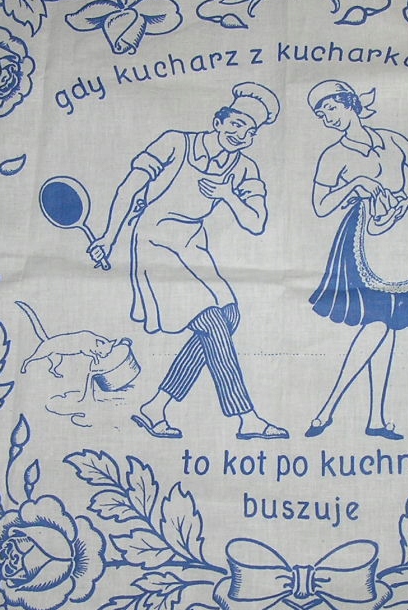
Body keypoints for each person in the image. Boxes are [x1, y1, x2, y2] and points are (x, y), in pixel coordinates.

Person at [89, 82, 288, 440]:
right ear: (218, 121)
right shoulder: (175, 143)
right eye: (236, 124)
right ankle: (247, 418)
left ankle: (155, 408)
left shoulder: (243, 168)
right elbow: (129, 188)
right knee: (211, 321)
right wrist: (108, 236)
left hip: (192, 244)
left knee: (228, 316)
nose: (241, 134)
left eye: (250, 131)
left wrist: (228, 195)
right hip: (154, 242)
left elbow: (256, 222)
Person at [304, 80, 408, 440]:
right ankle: (327, 409)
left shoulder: (392, 140)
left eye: (330, 108)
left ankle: (375, 419)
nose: (327, 118)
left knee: (386, 325)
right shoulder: (333, 155)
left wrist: (405, 200)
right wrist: (355, 185)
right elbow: (320, 206)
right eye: (321, 114)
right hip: (361, 241)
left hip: (401, 235)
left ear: (349, 103)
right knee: (379, 323)